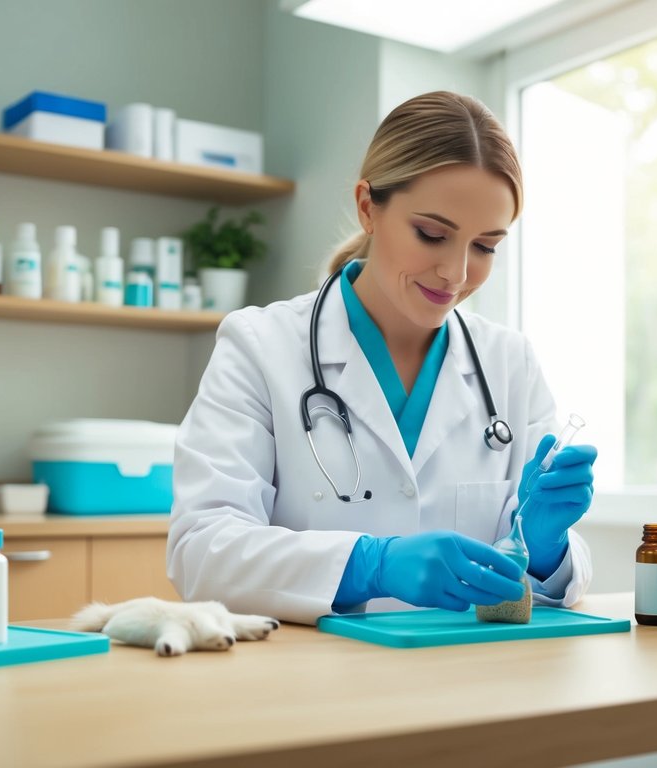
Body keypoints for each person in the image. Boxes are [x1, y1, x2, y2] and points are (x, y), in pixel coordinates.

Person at [168, 91, 598, 625]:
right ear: (369, 207)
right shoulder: (260, 346)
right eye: (433, 234)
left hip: (471, 685)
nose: (456, 273)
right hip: (313, 688)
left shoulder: (510, 362)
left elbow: (548, 583)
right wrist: (368, 565)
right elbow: (201, 552)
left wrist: (545, 546)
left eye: (485, 246)